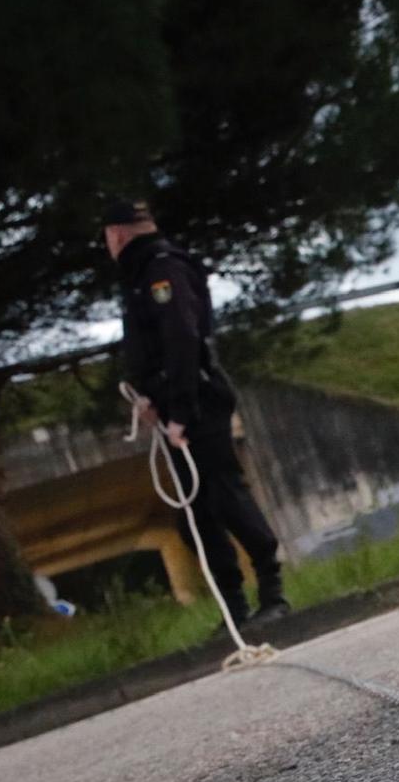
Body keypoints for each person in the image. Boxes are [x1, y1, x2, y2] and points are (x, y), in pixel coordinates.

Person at [104, 199, 290, 628]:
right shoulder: (140, 274)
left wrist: (182, 414)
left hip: (195, 406)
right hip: (172, 409)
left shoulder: (160, 269)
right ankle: (235, 610)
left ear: (116, 234)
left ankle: (273, 592)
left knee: (225, 497)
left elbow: (182, 339)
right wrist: (149, 399)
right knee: (195, 513)